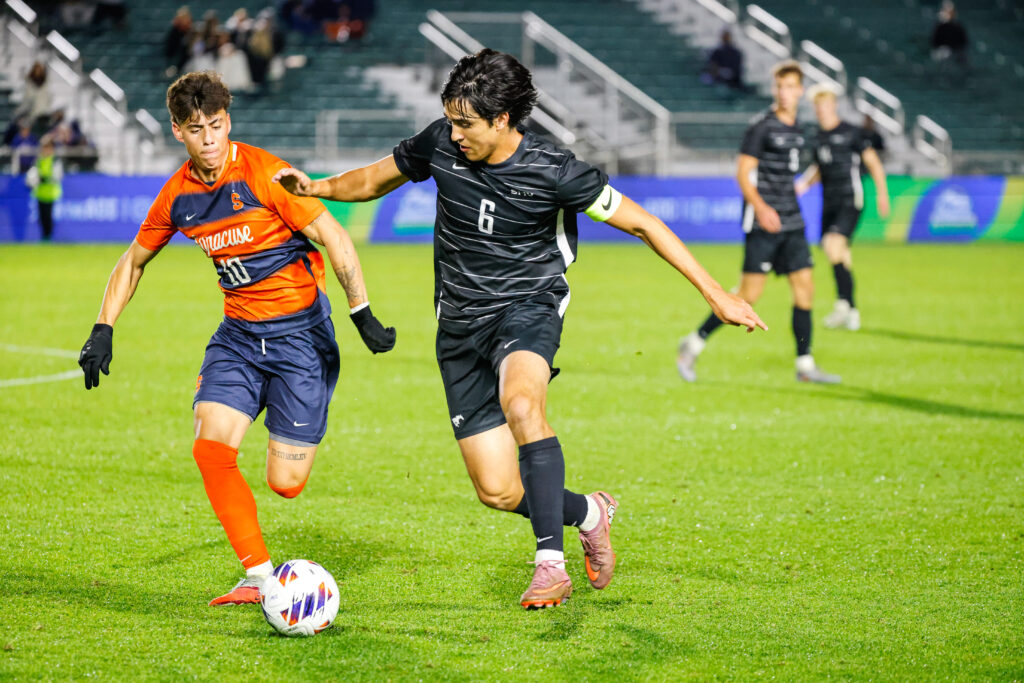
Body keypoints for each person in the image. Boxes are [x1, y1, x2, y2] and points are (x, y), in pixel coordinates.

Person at [272, 49, 766, 609]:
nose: (455, 134)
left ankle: (549, 566)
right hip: (458, 325)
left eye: (466, 124)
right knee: (499, 490)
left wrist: (716, 293)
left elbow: (645, 223)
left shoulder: (556, 171)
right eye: (451, 120)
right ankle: (588, 512)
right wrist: (316, 188)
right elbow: (372, 179)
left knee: (523, 404)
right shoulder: (439, 142)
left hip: (527, 306)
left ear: (502, 119)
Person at [77, 71, 397, 606]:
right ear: (178, 130)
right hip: (239, 339)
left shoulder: (267, 175)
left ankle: (292, 408)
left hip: (301, 338)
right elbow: (133, 261)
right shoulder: (177, 196)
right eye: (196, 129)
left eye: (217, 125)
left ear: (229, 122)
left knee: (285, 485)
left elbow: (332, 234)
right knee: (210, 449)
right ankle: (259, 578)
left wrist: (360, 311)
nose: (209, 139)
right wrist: (102, 327)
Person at [678, 60, 839, 384]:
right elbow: (743, 173)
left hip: (792, 220)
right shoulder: (761, 127)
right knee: (749, 295)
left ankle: (805, 366)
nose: (784, 92)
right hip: (763, 222)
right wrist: (762, 208)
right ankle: (693, 344)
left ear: (800, 91)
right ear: (774, 89)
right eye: (780, 86)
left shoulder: (799, 130)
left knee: (805, 290)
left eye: (791, 86)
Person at [795, 85, 890, 331]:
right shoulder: (817, 137)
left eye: (825, 105)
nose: (822, 110)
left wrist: (882, 194)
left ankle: (842, 306)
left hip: (850, 198)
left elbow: (873, 163)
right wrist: (803, 185)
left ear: (834, 105)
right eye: (818, 106)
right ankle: (851, 311)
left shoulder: (853, 133)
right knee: (840, 255)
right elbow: (818, 167)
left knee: (832, 245)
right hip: (829, 202)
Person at [26, 136, 63, 241]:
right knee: (41, 217)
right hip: (40, 193)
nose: (46, 150)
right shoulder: (39, 160)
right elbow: (32, 175)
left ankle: (48, 236)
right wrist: (33, 180)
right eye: (44, 148)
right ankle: (44, 235)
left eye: (48, 148)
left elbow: (58, 176)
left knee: (48, 216)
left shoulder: (55, 160)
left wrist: (45, 179)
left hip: (51, 193)